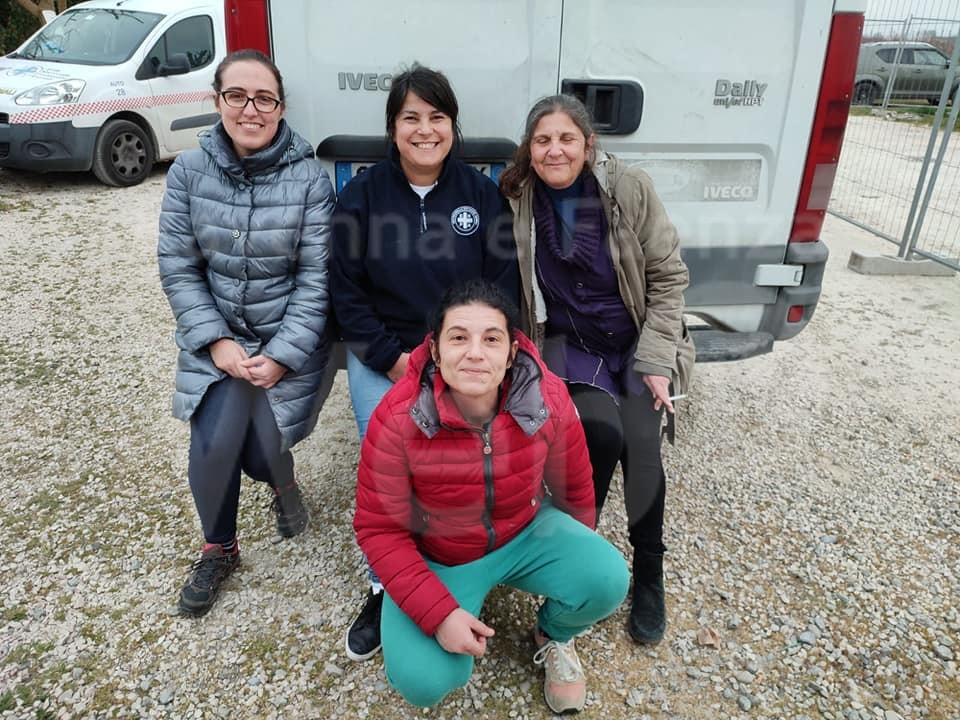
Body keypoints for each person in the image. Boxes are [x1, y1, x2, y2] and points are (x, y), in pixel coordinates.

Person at [353, 279, 629, 713]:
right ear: (435, 350)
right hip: (441, 554)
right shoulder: (396, 416)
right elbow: (379, 528)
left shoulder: (548, 397)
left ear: (513, 352)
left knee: (607, 578)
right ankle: (436, 607)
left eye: (492, 339)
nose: (475, 353)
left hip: (525, 532)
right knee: (423, 681)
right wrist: (439, 614)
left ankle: (553, 633)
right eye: (459, 338)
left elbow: (574, 487)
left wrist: (573, 559)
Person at [330, 63, 518, 661]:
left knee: (464, 460)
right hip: (384, 357)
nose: (425, 129)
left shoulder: (481, 196)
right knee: (387, 464)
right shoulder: (361, 197)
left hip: (463, 356)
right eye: (411, 117)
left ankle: (459, 570)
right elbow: (345, 294)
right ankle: (384, 587)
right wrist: (392, 359)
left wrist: (464, 358)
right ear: (393, 127)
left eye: (437, 117)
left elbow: (502, 287)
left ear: (452, 126)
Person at [498, 94, 695, 645]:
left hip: (635, 340)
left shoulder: (628, 189)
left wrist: (656, 360)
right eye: (542, 140)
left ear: (588, 146)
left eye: (567, 139)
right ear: (529, 149)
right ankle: (579, 559)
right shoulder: (517, 197)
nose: (554, 150)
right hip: (572, 345)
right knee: (598, 435)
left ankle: (649, 571)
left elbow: (669, 278)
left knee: (643, 446)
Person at [158, 49, 335, 617]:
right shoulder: (188, 172)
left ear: (281, 108)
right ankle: (220, 547)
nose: (250, 109)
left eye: (264, 98)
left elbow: (317, 278)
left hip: (287, 344)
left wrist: (282, 354)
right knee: (215, 443)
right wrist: (214, 340)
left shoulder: (311, 180)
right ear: (217, 101)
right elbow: (178, 266)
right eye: (237, 95)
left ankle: (282, 482)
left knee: (262, 454)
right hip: (219, 343)